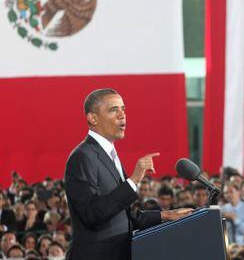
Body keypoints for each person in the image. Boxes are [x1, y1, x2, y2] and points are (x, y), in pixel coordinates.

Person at [64, 88, 192, 260]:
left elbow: (122, 215)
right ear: (92, 118)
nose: (122, 115)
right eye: (113, 110)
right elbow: (92, 214)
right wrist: (133, 180)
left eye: (123, 109)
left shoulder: (108, 155)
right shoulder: (82, 157)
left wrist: (165, 215)